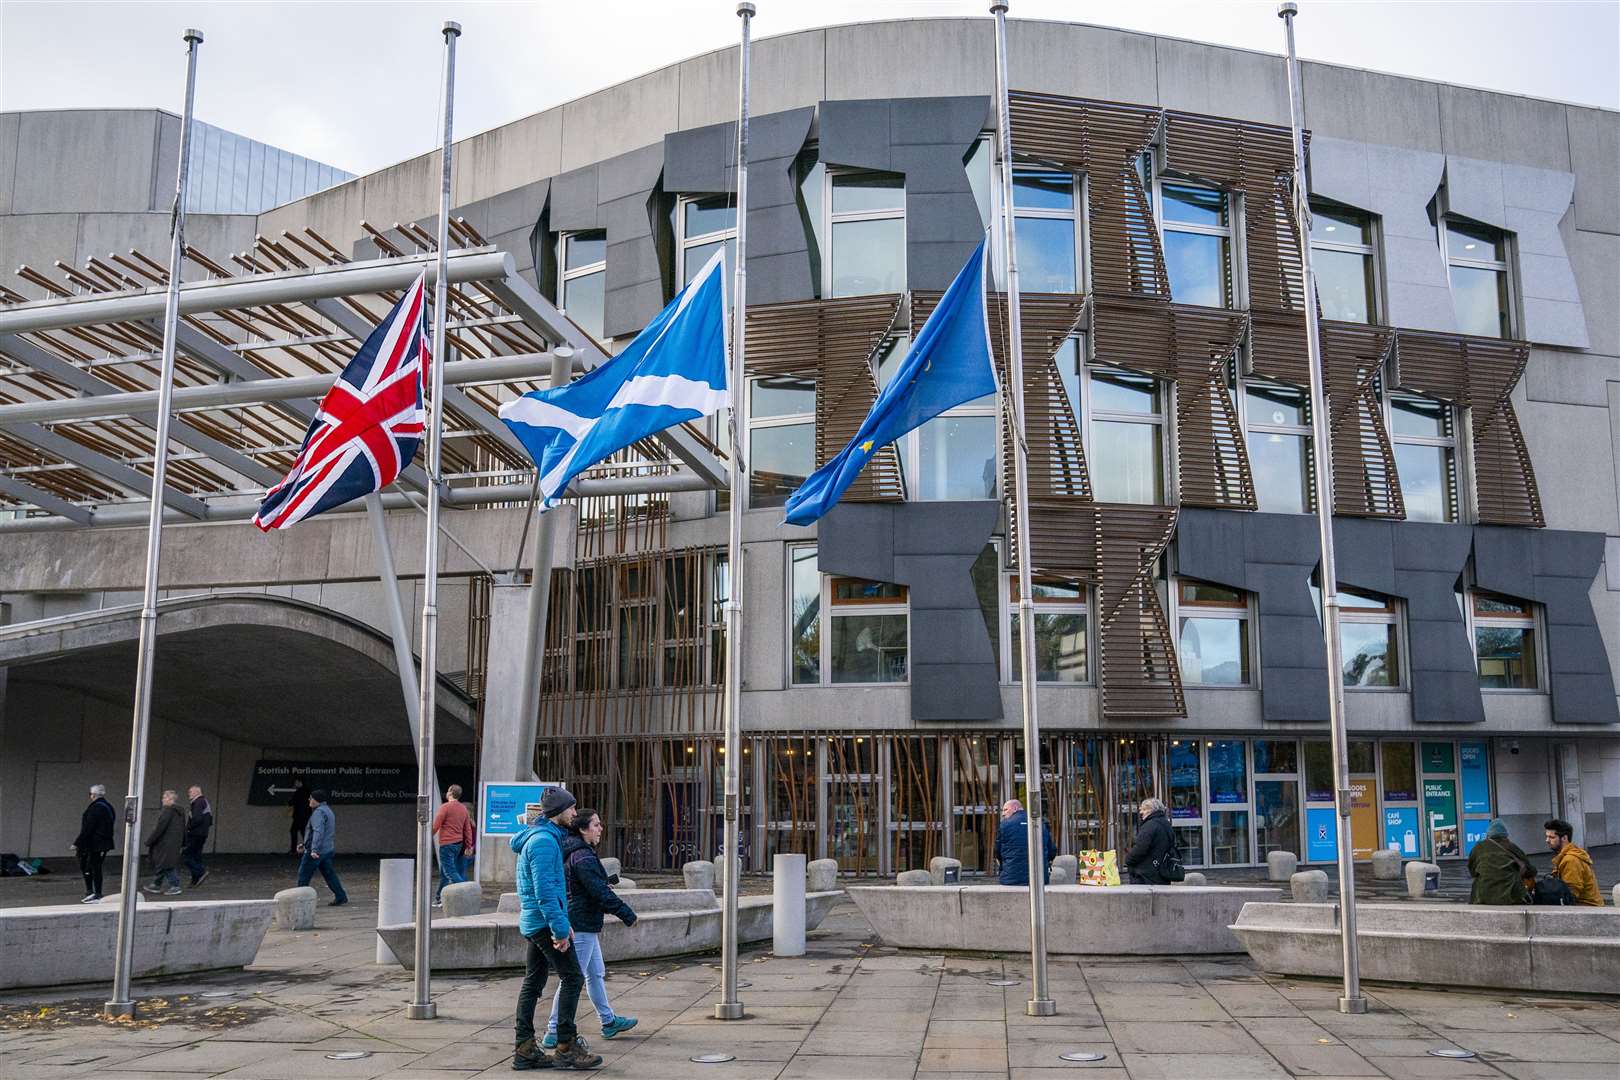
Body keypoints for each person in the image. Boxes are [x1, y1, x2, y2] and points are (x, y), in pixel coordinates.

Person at [510, 788, 601, 1071]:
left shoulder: (546, 838)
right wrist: (560, 930)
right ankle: (565, 1046)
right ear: (558, 811)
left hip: (536, 921)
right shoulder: (543, 843)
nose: (575, 814)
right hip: (542, 923)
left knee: (533, 983)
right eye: (571, 809)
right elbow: (546, 891)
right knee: (573, 977)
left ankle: (525, 1050)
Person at [542, 809, 638, 1048]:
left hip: (585, 921)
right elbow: (598, 891)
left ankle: (608, 1021)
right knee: (572, 978)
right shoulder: (582, 856)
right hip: (582, 923)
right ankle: (553, 1030)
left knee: (595, 974)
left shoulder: (577, 852)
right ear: (583, 829)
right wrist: (626, 913)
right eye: (596, 824)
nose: (600, 828)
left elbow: (594, 887)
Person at [296, 789, 348, 906]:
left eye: (311, 798)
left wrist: (313, 849)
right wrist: (304, 844)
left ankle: (300, 900)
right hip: (327, 849)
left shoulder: (318, 813)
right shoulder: (328, 811)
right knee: (329, 874)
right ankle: (341, 896)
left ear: (316, 800)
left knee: (303, 874)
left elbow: (318, 832)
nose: (309, 800)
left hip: (316, 851)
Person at [1468, 819, 1534, 904]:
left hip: (1482, 898)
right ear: (1505, 835)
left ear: (1488, 835)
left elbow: (1472, 871)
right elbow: (1531, 870)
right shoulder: (1511, 846)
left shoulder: (1478, 847)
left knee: (1478, 880)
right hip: (1510, 897)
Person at [71, 783, 117, 902]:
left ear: (93, 795)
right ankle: (94, 892)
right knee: (95, 867)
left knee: (90, 867)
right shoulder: (108, 807)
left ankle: (94, 892)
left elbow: (88, 827)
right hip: (104, 843)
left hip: (94, 844)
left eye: (90, 794)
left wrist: (77, 843)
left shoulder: (96, 808)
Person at [994, 798, 1056, 886]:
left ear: (1015, 808)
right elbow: (1052, 851)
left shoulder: (1004, 825)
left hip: (1010, 879)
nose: (1003, 814)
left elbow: (997, 851)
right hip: (1039, 879)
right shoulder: (1040, 823)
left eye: (1005, 810)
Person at [1544, 818, 1602, 906]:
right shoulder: (1566, 855)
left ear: (1564, 838)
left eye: (1551, 837)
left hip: (1587, 908)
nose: (1547, 840)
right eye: (1547, 836)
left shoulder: (1571, 860)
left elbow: (1570, 895)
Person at [431, 783, 472, 907]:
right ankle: (438, 898)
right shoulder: (463, 809)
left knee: (450, 872)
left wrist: (426, 836)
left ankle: (466, 894)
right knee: (445, 872)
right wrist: (468, 845)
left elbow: (436, 825)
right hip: (458, 844)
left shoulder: (445, 807)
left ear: (449, 792)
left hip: (446, 844)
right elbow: (467, 829)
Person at [141, 789, 188, 895]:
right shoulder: (180, 812)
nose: (162, 800)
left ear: (170, 799)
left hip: (165, 843)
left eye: (164, 797)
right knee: (164, 863)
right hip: (174, 843)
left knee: (166, 864)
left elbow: (159, 828)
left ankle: (175, 885)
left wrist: (149, 841)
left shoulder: (168, 811)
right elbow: (183, 828)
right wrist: (183, 842)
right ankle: (156, 884)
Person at [1122, 797, 1176, 885]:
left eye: (1143, 809)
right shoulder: (1166, 824)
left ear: (1151, 810)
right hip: (1162, 872)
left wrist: (1128, 860)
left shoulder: (1150, 826)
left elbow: (1140, 848)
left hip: (1145, 875)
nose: (1140, 812)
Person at [184, 784, 213, 888]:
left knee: (186, 855)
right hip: (202, 834)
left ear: (197, 792)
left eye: (190, 792)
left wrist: (188, 828)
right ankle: (195, 880)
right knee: (196, 856)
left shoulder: (198, 802)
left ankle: (201, 872)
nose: (189, 794)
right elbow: (209, 820)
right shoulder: (204, 802)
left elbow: (196, 818)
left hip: (195, 834)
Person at [288, 776, 312, 856]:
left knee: (294, 831)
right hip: (306, 815)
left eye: (296, 782)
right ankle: (309, 850)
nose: (295, 784)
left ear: (299, 782)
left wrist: (290, 798)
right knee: (303, 832)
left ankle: (294, 850)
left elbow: (291, 802)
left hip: (299, 816)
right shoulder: (308, 791)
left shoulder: (299, 792)